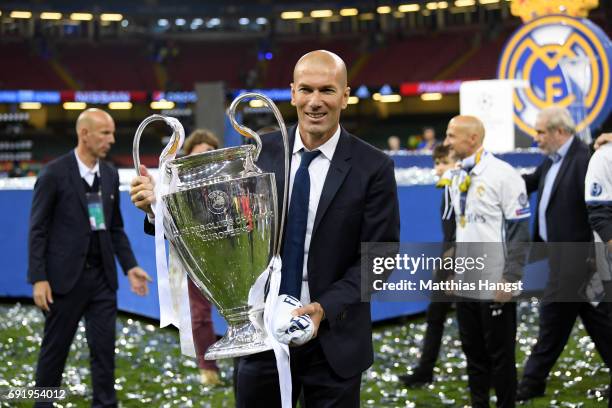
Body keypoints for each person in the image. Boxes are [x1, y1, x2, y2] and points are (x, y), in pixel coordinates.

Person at [131, 50, 400, 407]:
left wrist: (324, 307)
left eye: (327, 90)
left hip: (335, 340)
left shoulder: (373, 166)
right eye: (306, 90)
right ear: (292, 93)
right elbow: (216, 227)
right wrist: (159, 210)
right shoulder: (258, 154)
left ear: (346, 95)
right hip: (261, 338)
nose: (315, 101)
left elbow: (380, 258)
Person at [28, 108, 151, 407]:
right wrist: (39, 278)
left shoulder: (109, 175)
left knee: (104, 354)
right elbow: (38, 229)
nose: (112, 139)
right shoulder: (53, 174)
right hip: (63, 282)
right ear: (84, 134)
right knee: (54, 353)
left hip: (102, 282)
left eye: (111, 133)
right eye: (105, 133)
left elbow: (115, 227)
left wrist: (130, 266)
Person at [517, 107, 612, 402]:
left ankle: (532, 381)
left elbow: (595, 210)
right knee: (599, 322)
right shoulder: (552, 161)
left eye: (541, 132)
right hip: (561, 257)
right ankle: (534, 380)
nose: (536, 138)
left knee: (552, 320)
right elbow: (530, 182)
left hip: (577, 258)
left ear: (560, 132)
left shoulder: (585, 159)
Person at [444, 115, 530, 408]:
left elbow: (520, 233)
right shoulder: (457, 175)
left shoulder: (505, 175)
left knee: (501, 358)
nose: (446, 142)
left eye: (452, 135)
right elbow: (463, 225)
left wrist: (511, 278)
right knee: (473, 355)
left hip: (496, 284)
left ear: (473, 139)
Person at [399, 144, 457, 387]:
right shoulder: (447, 191)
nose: (437, 170)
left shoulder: (464, 190)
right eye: (436, 163)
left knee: (475, 323)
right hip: (450, 262)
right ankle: (425, 370)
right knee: (435, 316)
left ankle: (493, 374)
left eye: (442, 163)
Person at [181, 129, 222, 385]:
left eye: (209, 154)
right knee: (200, 315)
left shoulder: (229, 181)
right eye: (198, 155)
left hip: (229, 254)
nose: (203, 160)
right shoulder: (180, 189)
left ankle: (251, 359)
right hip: (197, 257)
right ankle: (208, 369)